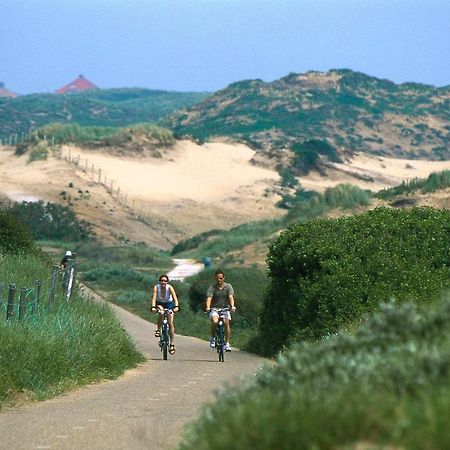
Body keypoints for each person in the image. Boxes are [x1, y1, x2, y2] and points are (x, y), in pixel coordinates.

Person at [205, 269, 236, 351]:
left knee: (226, 323)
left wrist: (232, 306)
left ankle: (227, 343)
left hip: (225, 309)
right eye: (217, 278)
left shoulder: (228, 287)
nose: (219, 280)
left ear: (224, 278)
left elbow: (230, 297)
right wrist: (208, 307)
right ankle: (212, 338)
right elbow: (209, 298)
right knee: (215, 321)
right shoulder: (212, 287)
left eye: (221, 278)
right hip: (215, 309)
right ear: (215, 278)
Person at [150, 275, 180, 355]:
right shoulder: (156, 287)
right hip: (160, 303)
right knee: (161, 312)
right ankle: (158, 330)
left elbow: (175, 298)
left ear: (167, 282)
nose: (163, 282)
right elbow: (153, 298)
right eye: (162, 281)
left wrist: (176, 307)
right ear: (159, 281)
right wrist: (153, 307)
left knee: (170, 323)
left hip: (169, 304)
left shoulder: (169, 288)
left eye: (165, 281)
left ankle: (172, 344)